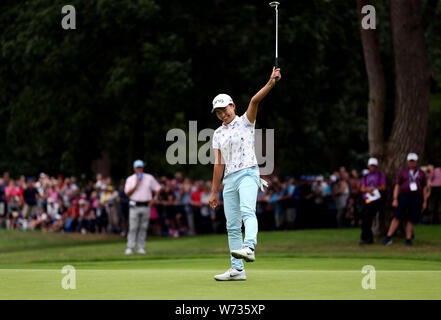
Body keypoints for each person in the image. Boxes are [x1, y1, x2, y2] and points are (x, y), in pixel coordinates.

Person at [209, 66, 280, 281]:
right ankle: (237, 270)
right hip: (229, 180)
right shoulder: (218, 133)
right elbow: (218, 164)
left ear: (232, 106)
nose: (222, 113)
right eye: (218, 112)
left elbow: (254, 101)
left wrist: (270, 83)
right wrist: (213, 192)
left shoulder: (245, 122)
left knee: (247, 211)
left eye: (225, 109)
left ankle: (249, 246)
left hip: (249, 173)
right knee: (231, 224)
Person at [382, 153, 428, 246]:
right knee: (397, 217)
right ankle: (388, 237)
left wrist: (424, 200)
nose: (412, 163)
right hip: (404, 196)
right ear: (407, 162)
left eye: (413, 161)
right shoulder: (402, 172)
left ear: (416, 162)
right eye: (410, 161)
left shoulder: (421, 173)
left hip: (416, 197)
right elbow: (397, 186)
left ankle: (408, 239)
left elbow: (424, 188)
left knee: (411, 219)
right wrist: (395, 198)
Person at [124, 160, 161, 255]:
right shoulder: (130, 179)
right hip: (134, 205)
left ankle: (140, 247)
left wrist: (155, 198)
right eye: (137, 167)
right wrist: (136, 185)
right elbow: (127, 193)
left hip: (146, 205)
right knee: (133, 227)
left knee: (143, 227)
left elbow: (158, 188)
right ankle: (130, 247)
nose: (139, 169)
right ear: (134, 168)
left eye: (140, 167)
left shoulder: (149, 178)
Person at [359, 158, 386, 245]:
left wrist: (374, 188)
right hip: (367, 199)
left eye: (374, 166)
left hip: (376, 199)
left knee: (369, 217)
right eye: (371, 166)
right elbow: (362, 188)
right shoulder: (365, 176)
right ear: (368, 166)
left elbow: (383, 187)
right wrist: (368, 190)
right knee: (365, 218)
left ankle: (367, 238)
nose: (372, 167)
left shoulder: (380, 175)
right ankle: (366, 238)